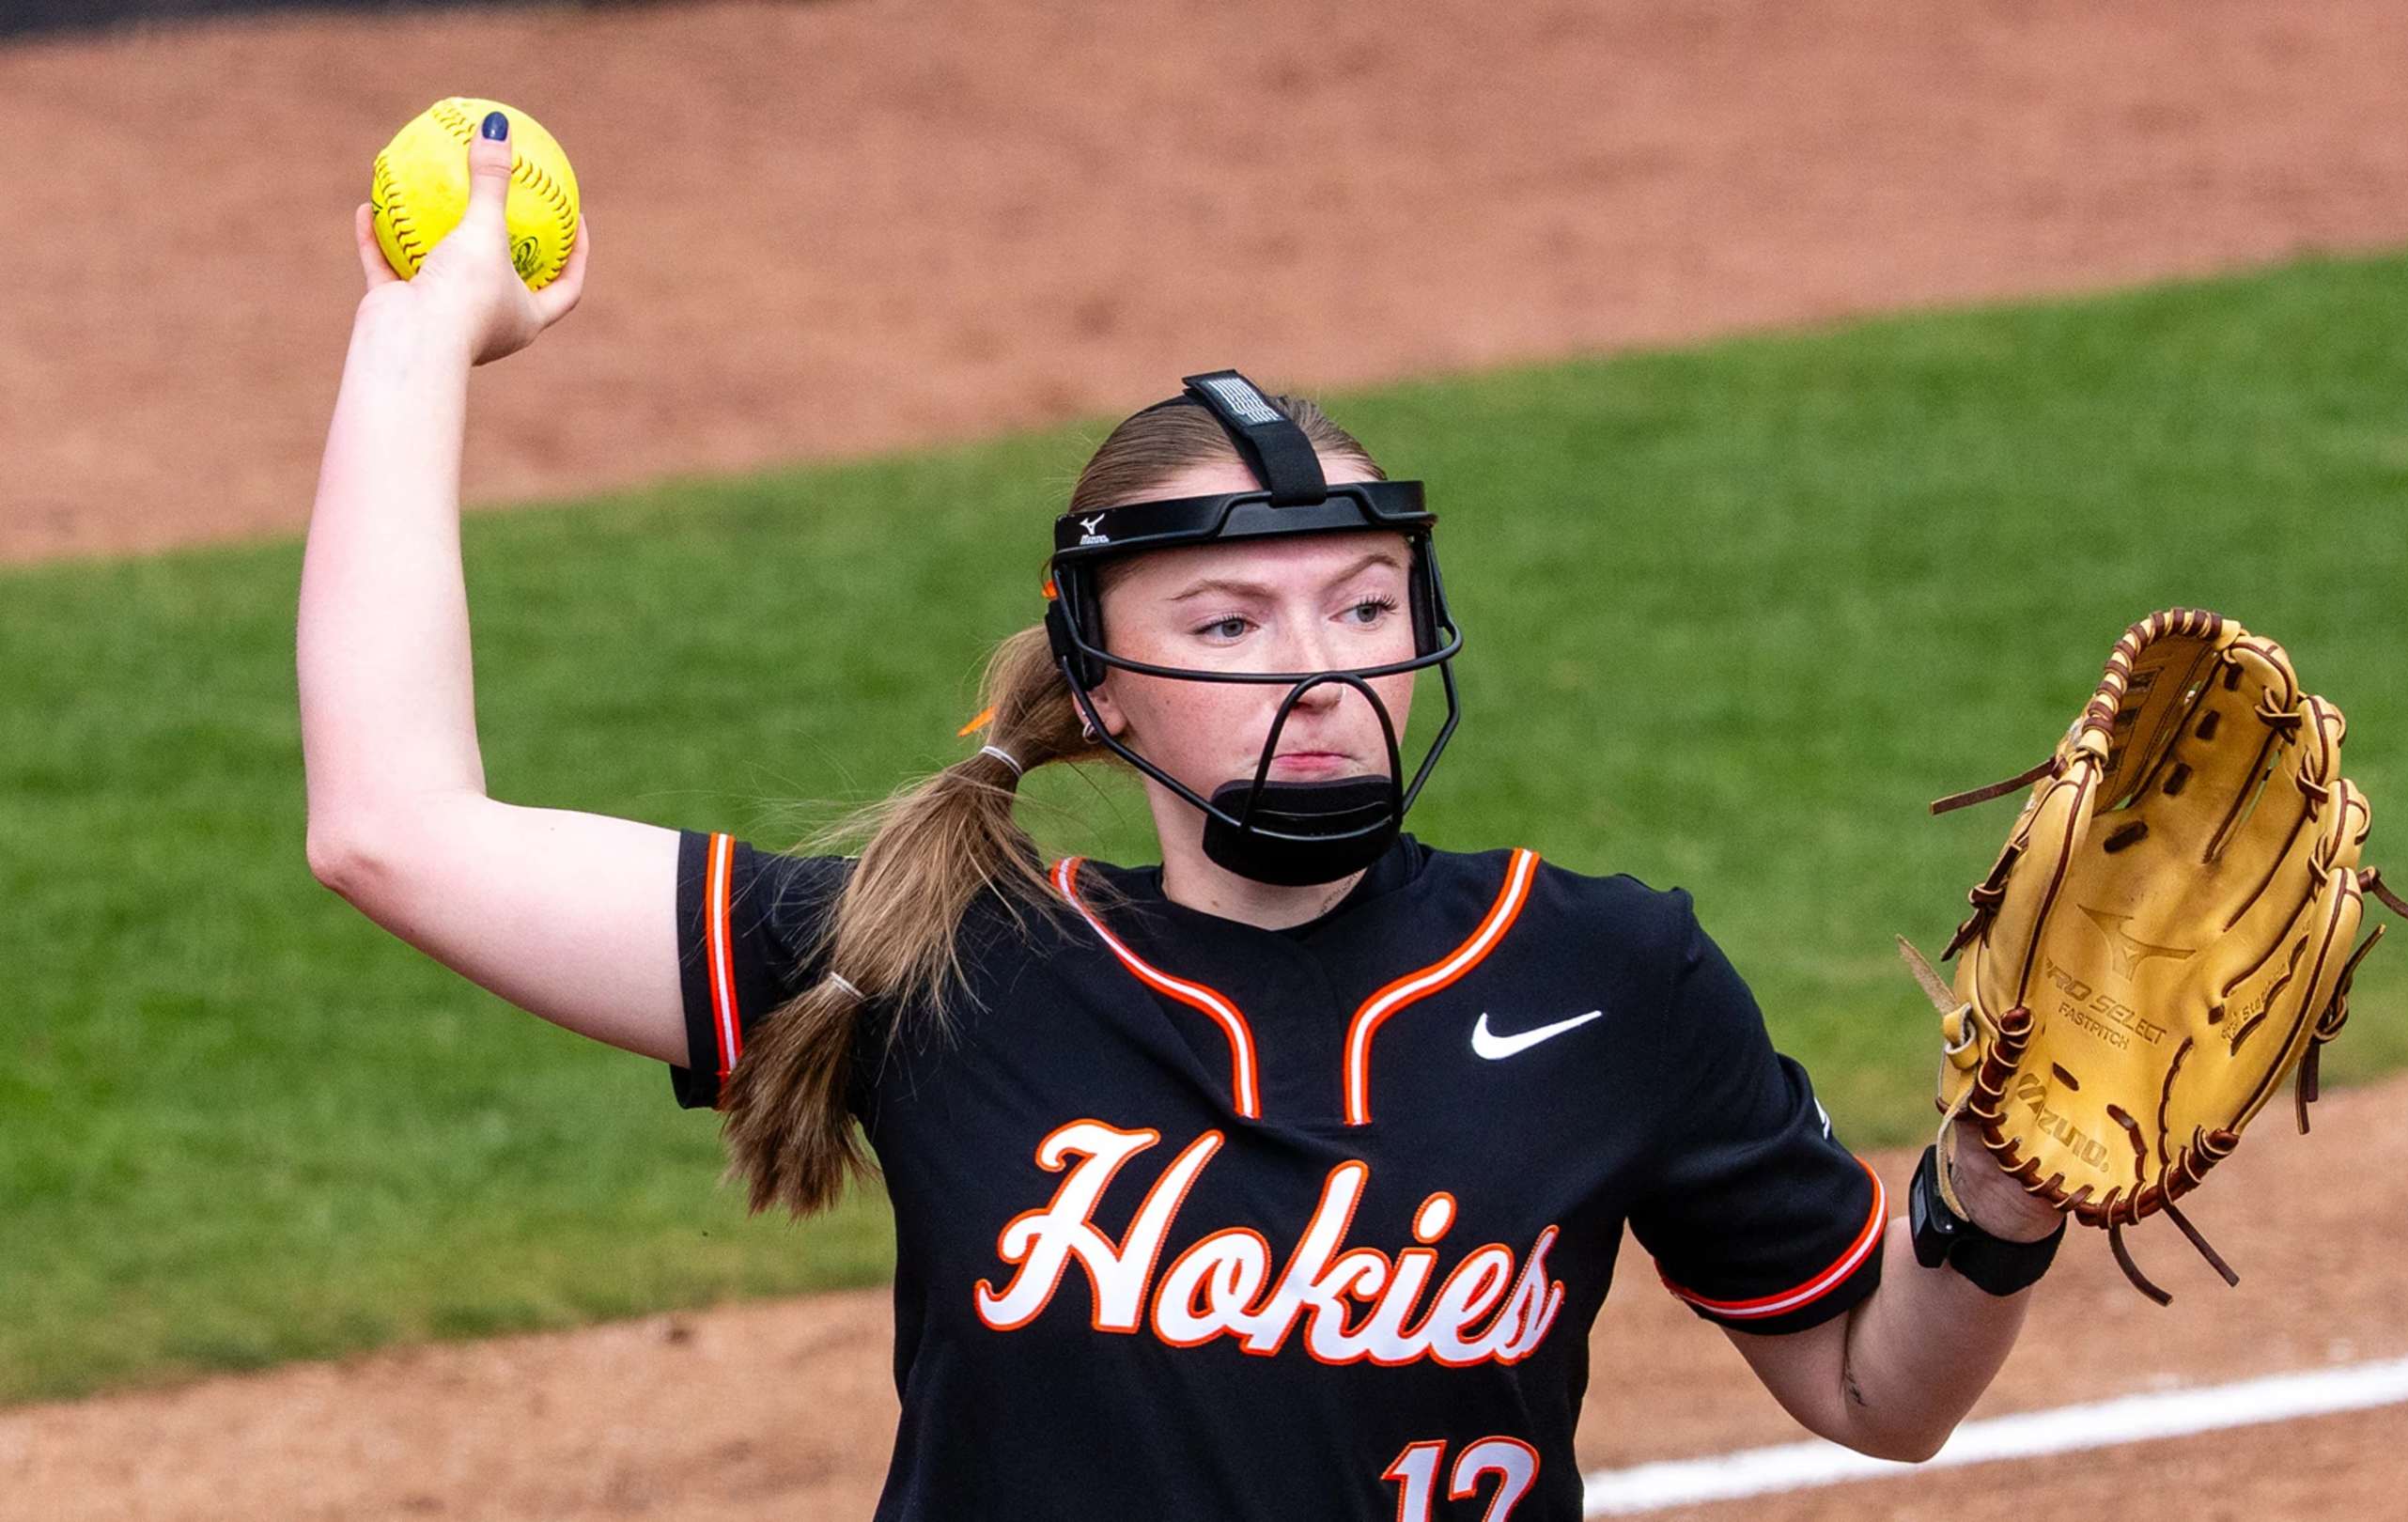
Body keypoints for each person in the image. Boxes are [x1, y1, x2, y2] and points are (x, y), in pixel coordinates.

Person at [300, 116, 2069, 1521]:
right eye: (1229, 625)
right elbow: (390, 824)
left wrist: (1989, 1205)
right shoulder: (944, 964)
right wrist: (421, 323)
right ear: (1107, 685)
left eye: (1362, 607)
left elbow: (1873, 1392)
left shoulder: (1610, 977)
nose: (1319, 669)